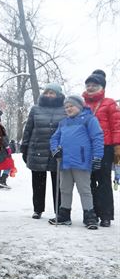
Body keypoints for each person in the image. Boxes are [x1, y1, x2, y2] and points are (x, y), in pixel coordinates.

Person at [49, 95, 104, 229]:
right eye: (66, 107)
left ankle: (89, 215)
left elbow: (97, 138)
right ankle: (64, 214)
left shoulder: (89, 120)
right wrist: (55, 150)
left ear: (79, 106)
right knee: (65, 189)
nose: (68, 109)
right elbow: (54, 138)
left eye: (71, 106)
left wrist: (97, 156)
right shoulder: (63, 123)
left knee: (84, 189)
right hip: (65, 162)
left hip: (82, 161)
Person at [20, 83, 66, 219]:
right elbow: (28, 129)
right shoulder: (35, 109)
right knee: (38, 182)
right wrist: (25, 146)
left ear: (58, 95)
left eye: (52, 93)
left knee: (58, 182)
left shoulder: (65, 109)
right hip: (37, 149)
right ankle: (38, 209)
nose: (49, 95)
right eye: (47, 92)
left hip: (57, 150)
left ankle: (59, 209)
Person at [81, 70, 120, 227]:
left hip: (105, 147)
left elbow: (117, 125)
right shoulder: (82, 105)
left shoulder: (109, 103)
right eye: (88, 85)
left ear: (101, 87)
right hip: (86, 148)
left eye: (94, 85)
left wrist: (117, 146)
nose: (90, 88)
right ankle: (92, 212)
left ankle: (106, 215)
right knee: (88, 181)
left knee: (103, 181)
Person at [0, 107, 14, 190]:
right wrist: (7, 147)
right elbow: (2, 137)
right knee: (9, 164)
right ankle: (2, 181)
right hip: (2, 149)